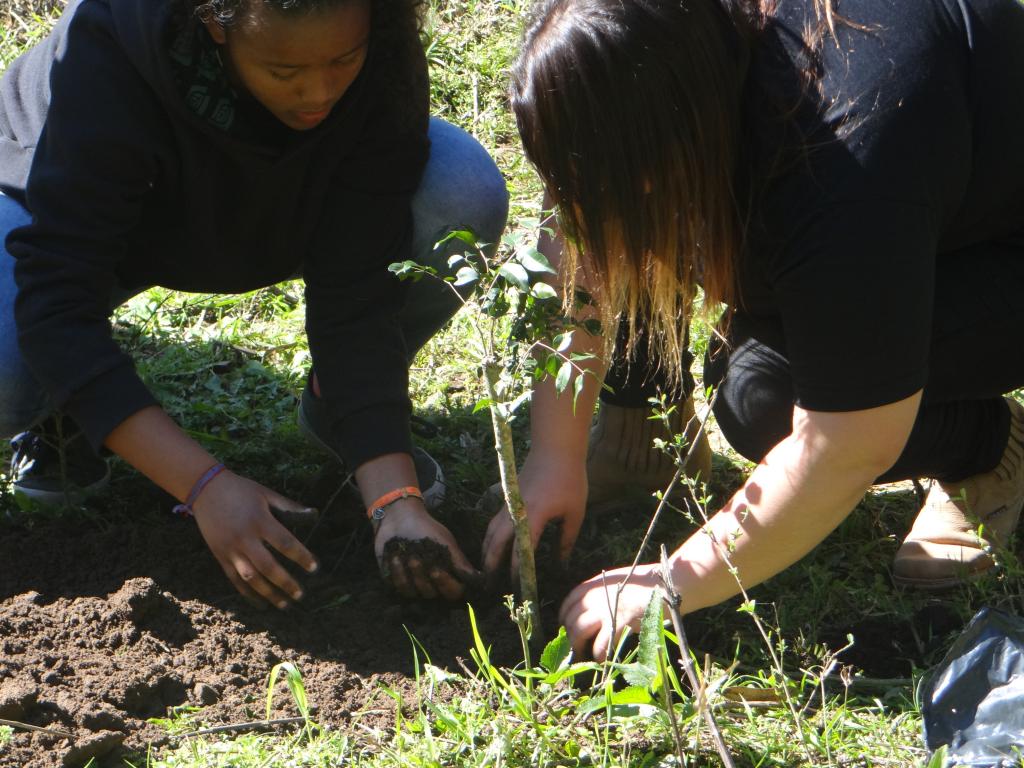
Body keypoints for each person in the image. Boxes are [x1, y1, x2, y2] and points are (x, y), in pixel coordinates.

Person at [483, 0, 1024, 659]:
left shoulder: (843, 156)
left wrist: (669, 584)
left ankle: (989, 449)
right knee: (755, 392)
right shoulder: (678, 54)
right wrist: (554, 454)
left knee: (799, 400)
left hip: (997, 248)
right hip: (934, 208)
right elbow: (582, 220)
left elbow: (847, 443)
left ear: (674, 136)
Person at [0, 0, 508, 607]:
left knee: (458, 190)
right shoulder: (113, 45)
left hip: (265, 209)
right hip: (60, 211)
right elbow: (57, 298)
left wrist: (394, 502)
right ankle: (67, 418)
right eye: (283, 70)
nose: (319, 91)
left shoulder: (380, 34)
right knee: (8, 363)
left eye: (343, 59)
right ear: (215, 23)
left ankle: (340, 410)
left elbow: (358, 290)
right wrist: (206, 486)